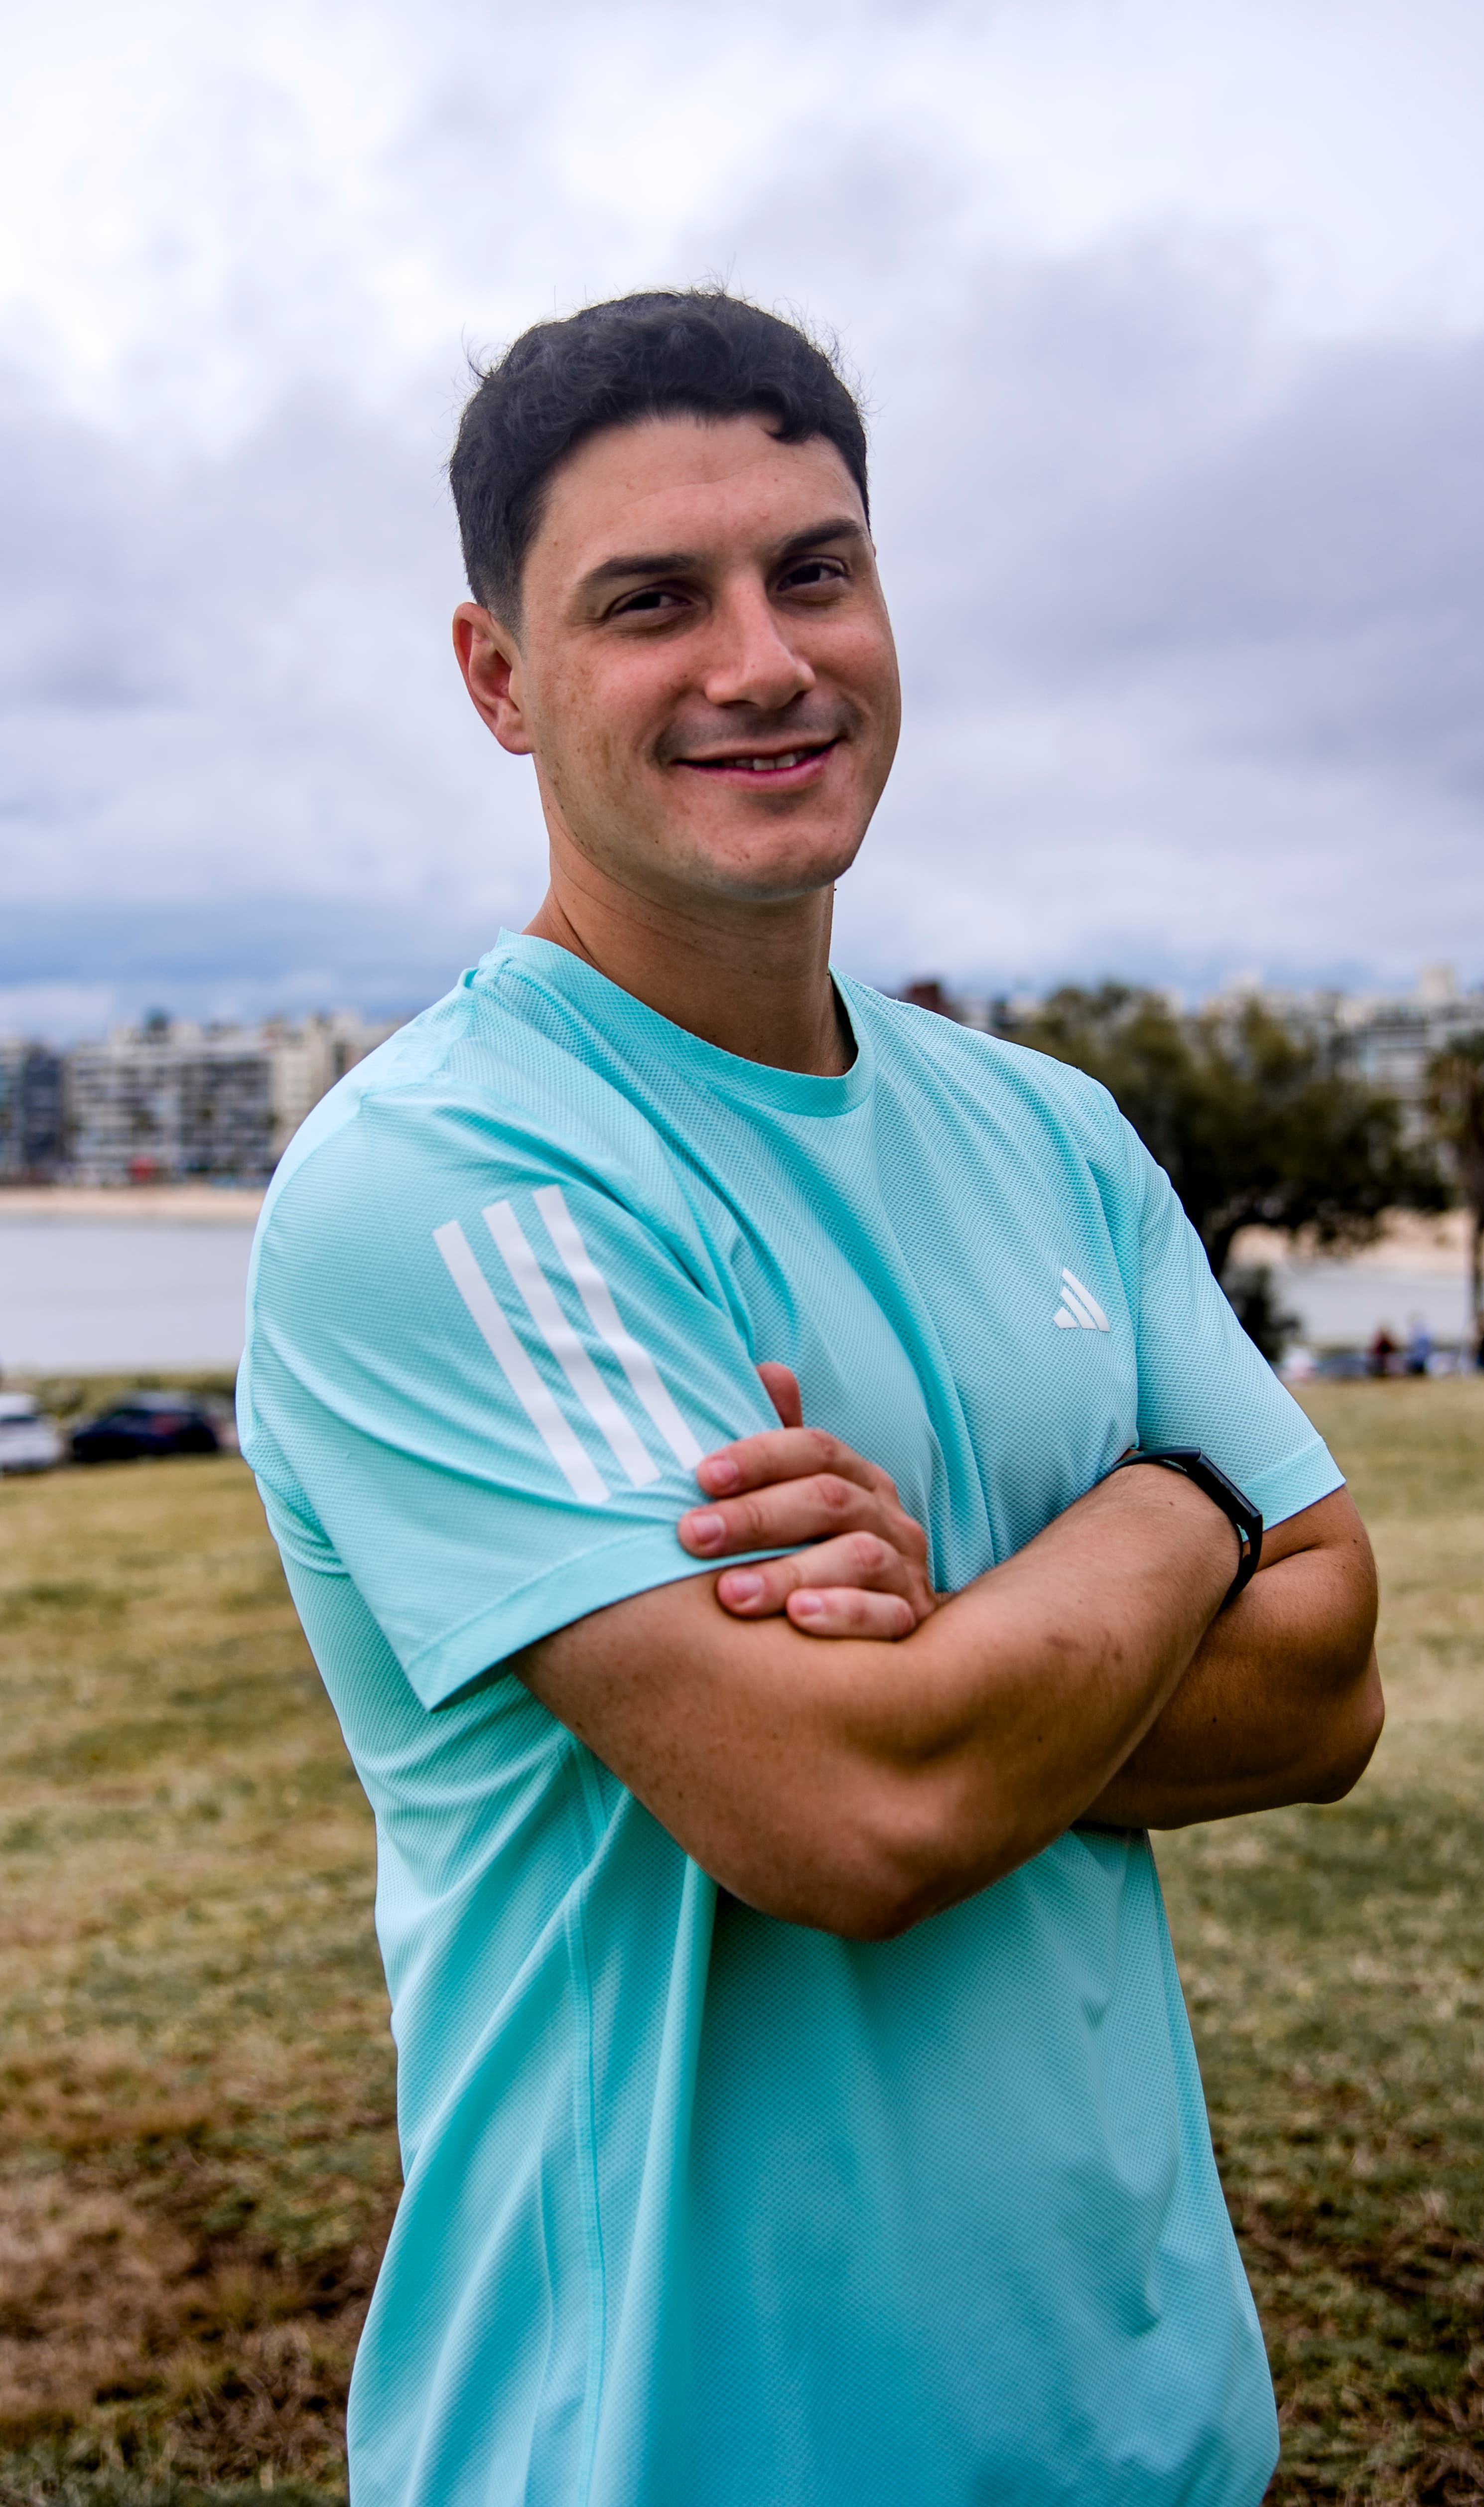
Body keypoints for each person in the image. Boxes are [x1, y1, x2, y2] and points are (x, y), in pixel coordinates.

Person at [238, 291, 1383, 2507]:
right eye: (651, 602)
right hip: (671, 2445)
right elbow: (852, 1818)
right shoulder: (453, 1176)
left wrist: (964, 1644)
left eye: (817, 571)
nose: (762, 662)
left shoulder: (1051, 1131)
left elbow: (1331, 1688)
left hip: (1143, 2431)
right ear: (499, 678)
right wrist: (1178, 1510)